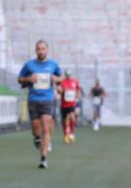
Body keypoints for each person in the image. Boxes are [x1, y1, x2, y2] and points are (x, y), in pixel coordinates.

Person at [17, 40, 62, 169]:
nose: (41, 51)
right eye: (38, 49)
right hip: (33, 100)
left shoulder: (53, 64)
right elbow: (19, 78)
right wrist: (28, 79)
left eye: (43, 49)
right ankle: (37, 137)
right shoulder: (29, 65)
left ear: (47, 50)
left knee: (46, 128)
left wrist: (56, 79)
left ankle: (43, 159)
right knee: (36, 128)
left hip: (47, 100)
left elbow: (61, 77)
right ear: (36, 50)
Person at [57, 71, 83, 144]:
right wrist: (61, 90)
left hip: (72, 104)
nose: (68, 76)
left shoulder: (75, 82)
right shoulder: (62, 82)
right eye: (67, 75)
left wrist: (78, 95)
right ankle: (65, 135)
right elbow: (59, 91)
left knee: (72, 117)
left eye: (69, 75)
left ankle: (71, 133)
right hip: (64, 104)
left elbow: (78, 89)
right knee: (65, 120)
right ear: (65, 75)